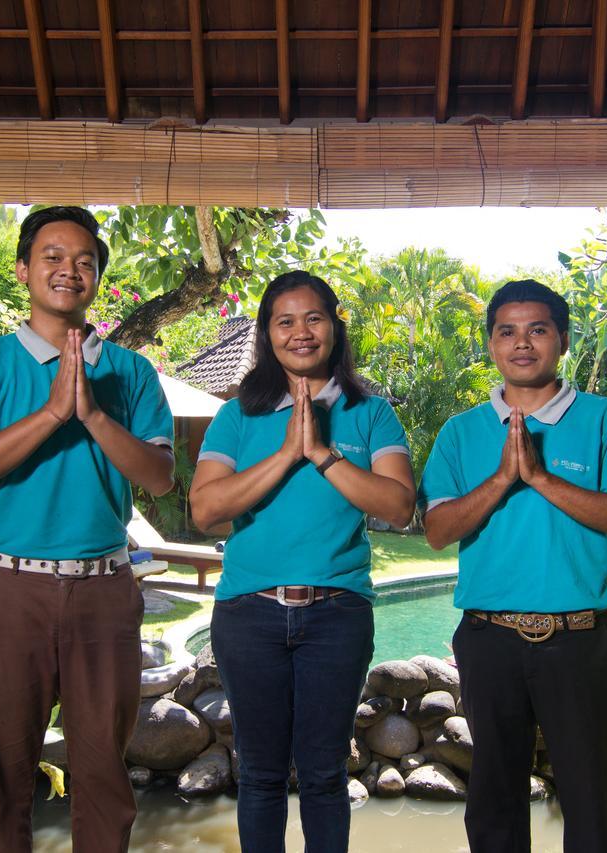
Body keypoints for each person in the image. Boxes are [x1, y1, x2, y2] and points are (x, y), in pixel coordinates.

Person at [0, 206, 174, 853]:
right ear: (23, 270)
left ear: (97, 277)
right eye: (53, 257)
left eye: (85, 260)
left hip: (104, 590)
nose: (70, 270)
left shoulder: (132, 373)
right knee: (5, 782)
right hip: (7, 588)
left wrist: (90, 412)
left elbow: (159, 475)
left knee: (102, 780)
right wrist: (50, 413)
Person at [419, 279, 607, 853]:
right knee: (494, 805)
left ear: (563, 340)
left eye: (538, 330)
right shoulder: (460, 432)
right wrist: (502, 479)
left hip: (579, 640)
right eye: (507, 332)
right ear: (492, 344)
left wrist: (542, 478)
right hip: (488, 640)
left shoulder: (605, 421)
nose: (522, 343)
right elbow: (437, 532)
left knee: (590, 805)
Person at [189, 270, 415, 853]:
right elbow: (206, 510)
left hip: (336, 615)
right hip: (249, 615)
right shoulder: (238, 415)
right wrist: (287, 452)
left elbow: (398, 505)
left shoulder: (370, 413)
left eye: (313, 318)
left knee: (323, 775)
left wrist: (321, 453)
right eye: (284, 321)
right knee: (260, 775)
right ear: (267, 333)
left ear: (335, 326)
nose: (300, 332)